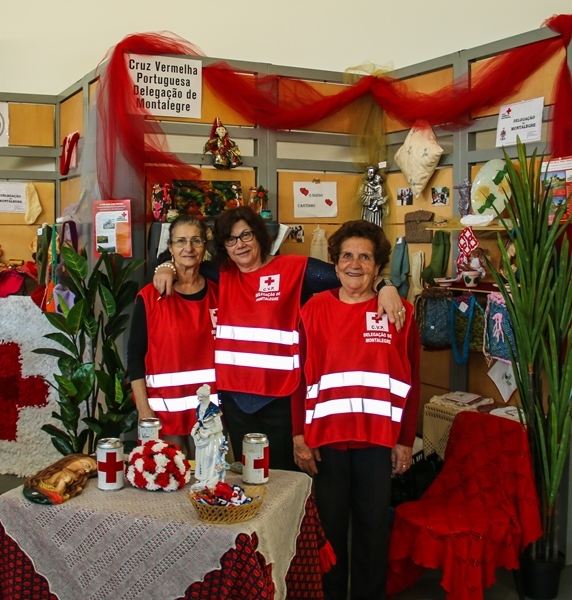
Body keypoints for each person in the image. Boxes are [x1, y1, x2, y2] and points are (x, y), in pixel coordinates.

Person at [154, 207, 406, 472]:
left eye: (246, 235)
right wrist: (167, 266)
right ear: (223, 246)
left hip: (282, 400)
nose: (240, 245)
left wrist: (385, 286)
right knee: (248, 478)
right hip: (236, 402)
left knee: (284, 478)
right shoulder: (222, 273)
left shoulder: (295, 269)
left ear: (260, 236)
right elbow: (184, 257)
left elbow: (350, 273)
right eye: (231, 239)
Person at [293, 219, 420, 600]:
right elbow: (298, 377)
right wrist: (299, 435)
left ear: (377, 266)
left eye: (365, 257)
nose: (355, 264)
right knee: (328, 540)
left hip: (377, 445)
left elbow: (412, 383)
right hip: (326, 445)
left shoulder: (400, 314)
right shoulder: (313, 310)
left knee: (372, 535)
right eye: (347, 255)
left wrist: (406, 441)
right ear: (334, 264)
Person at [127, 214, 219, 458]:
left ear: (204, 248)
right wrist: (143, 408)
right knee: (168, 486)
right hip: (163, 414)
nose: (188, 248)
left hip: (211, 415)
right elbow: (135, 355)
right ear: (170, 248)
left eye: (196, 241)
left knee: (210, 486)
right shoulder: (150, 297)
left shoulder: (221, 294)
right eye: (180, 241)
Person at [191, 383, 228, 490]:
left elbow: (219, 427)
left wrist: (209, 432)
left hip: (213, 439)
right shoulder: (199, 407)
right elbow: (200, 421)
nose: (199, 399)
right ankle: (203, 478)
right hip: (202, 438)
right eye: (198, 397)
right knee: (202, 458)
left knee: (211, 458)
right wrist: (194, 428)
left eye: (201, 397)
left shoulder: (214, 410)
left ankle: (212, 479)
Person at [23, 454, 98, 504]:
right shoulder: (55, 471)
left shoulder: (74, 479)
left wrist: (63, 484)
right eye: (86, 465)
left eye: (89, 472)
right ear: (74, 459)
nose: (87, 470)